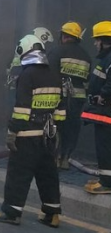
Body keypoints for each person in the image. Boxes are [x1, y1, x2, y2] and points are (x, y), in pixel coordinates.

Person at [0, 34, 65, 228]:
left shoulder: (27, 75)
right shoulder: (55, 74)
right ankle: (52, 215)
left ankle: (11, 212)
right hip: (48, 136)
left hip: (27, 135)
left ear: (22, 51)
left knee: (19, 175)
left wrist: (12, 132)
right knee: (48, 174)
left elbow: (22, 110)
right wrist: (55, 131)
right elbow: (60, 110)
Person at [46, 22, 91, 169]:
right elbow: (87, 81)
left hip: (60, 98)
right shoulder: (86, 56)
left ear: (64, 36)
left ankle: (54, 157)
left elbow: (48, 74)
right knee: (72, 128)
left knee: (55, 126)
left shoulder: (56, 51)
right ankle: (65, 158)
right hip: (78, 100)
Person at [81, 21, 111, 194]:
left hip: (107, 111)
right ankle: (105, 179)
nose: (94, 44)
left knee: (105, 146)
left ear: (104, 40)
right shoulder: (106, 58)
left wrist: (104, 96)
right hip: (104, 112)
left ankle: (107, 183)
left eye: (96, 40)